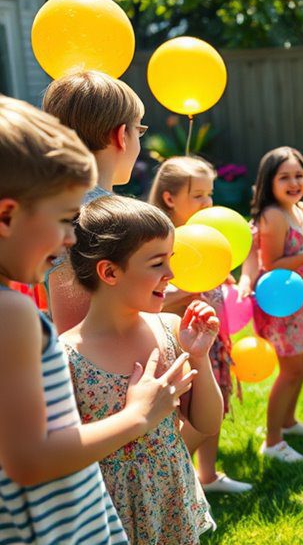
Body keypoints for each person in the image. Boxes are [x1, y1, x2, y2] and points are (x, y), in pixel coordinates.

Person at [0, 95, 188, 545]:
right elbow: (29, 459)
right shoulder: (11, 314)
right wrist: (139, 415)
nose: (70, 239)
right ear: (7, 215)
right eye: (66, 219)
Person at [63, 195, 221, 543]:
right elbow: (63, 456)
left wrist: (199, 357)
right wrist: (140, 415)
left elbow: (208, 424)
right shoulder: (67, 357)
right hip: (108, 513)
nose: (171, 274)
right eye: (156, 263)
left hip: (170, 503)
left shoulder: (169, 328)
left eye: (171, 260)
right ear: (109, 272)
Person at [148, 156, 251, 493]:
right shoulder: (167, 240)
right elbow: (158, 294)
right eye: (198, 196)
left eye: (210, 195)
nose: (208, 203)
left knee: (215, 407)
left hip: (211, 340)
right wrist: (193, 287)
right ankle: (173, 481)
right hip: (183, 342)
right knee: (191, 416)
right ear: (169, 198)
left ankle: (207, 476)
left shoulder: (209, 236)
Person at [41, 70, 146, 334]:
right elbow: (76, 324)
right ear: (121, 135)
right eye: (139, 130)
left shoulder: (55, 205)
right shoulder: (93, 217)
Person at [251, 147, 303, 462]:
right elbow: (271, 263)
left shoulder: (300, 209)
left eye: (298, 175)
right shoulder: (273, 215)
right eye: (284, 177)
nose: (294, 182)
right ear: (269, 182)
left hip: (302, 300)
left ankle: (288, 420)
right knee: (290, 369)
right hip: (282, 305)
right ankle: (272, 442)